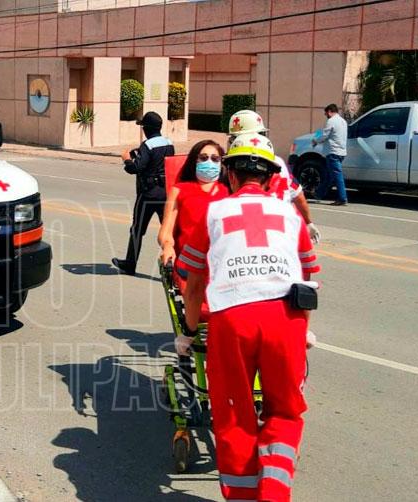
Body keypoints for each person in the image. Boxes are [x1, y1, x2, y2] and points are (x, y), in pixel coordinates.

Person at [177, 132, 320, 502]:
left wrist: (188, 333)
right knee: (285, 413)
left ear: (230, 174)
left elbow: (194, 285)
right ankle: (273, 494)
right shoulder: (291, 215)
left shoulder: (213, 212)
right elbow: (307, 281)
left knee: (235, 417)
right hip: (285, 320)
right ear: (271, 177)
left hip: (232, 320)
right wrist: (304, 331)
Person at [228, 109, 321, 244]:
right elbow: (298, 195)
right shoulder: (277, 163)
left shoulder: (235, 167)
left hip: (249, 233)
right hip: (280, 231)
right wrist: (308, 223)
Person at [112, 111, 175, 276]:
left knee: (137, 230)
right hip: (165, 194)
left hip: (148, 194)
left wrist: (127, 159)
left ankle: (130, 264)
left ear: (146, 129)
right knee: (168, 231)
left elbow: (136, 168)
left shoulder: (147, 145)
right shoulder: (169, 143)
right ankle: (177, 264)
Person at [156, 140, 229, 272]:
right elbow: (166, 231)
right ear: (194, 161)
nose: (209, 162)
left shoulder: (228, 192)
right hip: (188, 265)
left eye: (215, 159)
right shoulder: (179, 190)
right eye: (203, 158)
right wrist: (167, 246)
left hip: (220, 266)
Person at [312, 103, 349, 206]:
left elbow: (325, 135)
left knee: (337, 176)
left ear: (329, 112)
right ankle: (318, 193)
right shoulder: (343, 121)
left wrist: (315, 141)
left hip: (333, 152)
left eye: (326, 113)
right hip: (342, 152)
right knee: (329, 175)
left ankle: (342, 198)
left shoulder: (331, 121)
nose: (326, 115)